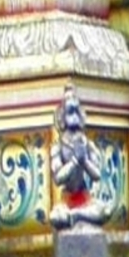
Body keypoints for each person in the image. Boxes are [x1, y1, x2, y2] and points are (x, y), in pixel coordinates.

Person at [49, 83, 102, 228]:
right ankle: (74, 216)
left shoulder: (87, 144)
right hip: (67, 200)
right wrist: (74, 161)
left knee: (105, 210)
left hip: (85, 199)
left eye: (76, 112)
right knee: (55, 217)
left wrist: (84, 161)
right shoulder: (57, 147)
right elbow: (58, 178)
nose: (73, 117)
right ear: (62, 116)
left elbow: (97, 175)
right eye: (69, 112)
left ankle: (78, 216)